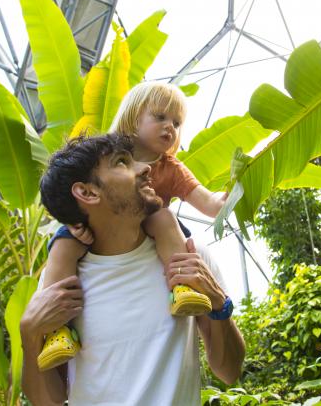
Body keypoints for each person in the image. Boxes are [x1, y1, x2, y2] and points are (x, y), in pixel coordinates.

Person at [20, 134, 244, 405]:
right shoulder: (59, 284)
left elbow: (229, 371)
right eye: (123, 162)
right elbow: (49, 401)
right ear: (88, 192)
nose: (145, 167)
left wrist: (218, 302)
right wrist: (30, 335)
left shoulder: (188, 258)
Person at [36, 82, 228, 371]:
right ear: (134, 116)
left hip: (152, 228)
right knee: (63, 244)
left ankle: (182, 286)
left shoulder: (172, 167)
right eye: (160, 117)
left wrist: (236, 190)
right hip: (96, 228)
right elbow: (68, 188)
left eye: (176, 123)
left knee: (164, 217)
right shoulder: (105, 152)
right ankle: (56, 330)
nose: (170, 127)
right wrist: (75, 222)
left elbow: (210, 205)